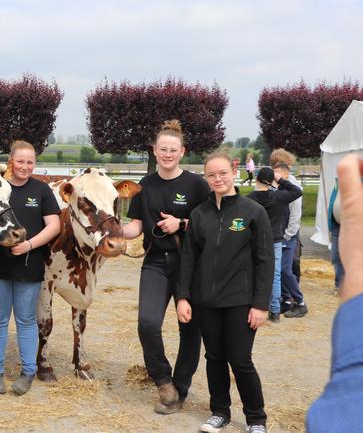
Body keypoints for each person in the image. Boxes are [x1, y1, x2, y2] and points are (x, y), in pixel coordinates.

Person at [176, 151, 274, 433]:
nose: (217, 179)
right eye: (211, 175)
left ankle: (256, 419)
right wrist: (183, 296)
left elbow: (265, 260)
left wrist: (261, 304)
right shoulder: (199, 214)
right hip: (205, 300)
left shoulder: (253, 212)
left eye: (222, 173)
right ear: (206, 178)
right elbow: (189, 259)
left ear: (234, 172)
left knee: (240, 359)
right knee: (214, 358)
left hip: (240, 301)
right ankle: (219, 412)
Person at [121, 120, 210, 414]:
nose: (168, 154)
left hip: (191, 266)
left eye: (173, 149)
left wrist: (182, 223)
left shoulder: (197, 185)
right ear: (154, 151)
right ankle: (162, 379)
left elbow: (211, 223)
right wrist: (113, 232)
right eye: (163, 149)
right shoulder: (145, 185)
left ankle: (180, 389)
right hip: (156, 262)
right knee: (147, 323)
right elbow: (135, 226)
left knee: (190, 329)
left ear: (182, 151)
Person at [0, 140, 60, 396]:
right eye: (20, 161)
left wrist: (29, 245)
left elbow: (54, 226)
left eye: (30, 162)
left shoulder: (42, 191)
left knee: (26, 320)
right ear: (10, 161)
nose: (25, 166)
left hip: (29, 264)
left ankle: (28, 372)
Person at [307, 154, 363, 431]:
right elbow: (331, 209)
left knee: (350, 264)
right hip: (343, 232)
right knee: (342, 262)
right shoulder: (338, 191)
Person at [247, 167, 302, 322]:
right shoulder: (278, 196)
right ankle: (275, 311)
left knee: (255, 272)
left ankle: (255, 305)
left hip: (256, 240)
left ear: (256, 178)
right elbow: (297, 191)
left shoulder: (249, 198)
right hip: (276, 240)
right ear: (271, 181)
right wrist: (280, 179)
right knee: (275, 275)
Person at [272, 162, 307, 317]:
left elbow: (295, 217)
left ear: (286, 173)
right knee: (279, 269)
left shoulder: (294, 190)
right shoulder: (279, 189)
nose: (275, 177)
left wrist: (287, 235)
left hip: (288, 236)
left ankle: (300, 302)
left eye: (278, 174)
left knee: (285, 269)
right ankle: (286, 301)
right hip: (281, 235)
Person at [328, 179, 344, 292]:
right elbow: (332, 204)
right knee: (335, 257)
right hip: (336, 226)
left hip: (353, 227)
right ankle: (339, 284)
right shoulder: (337, 185)